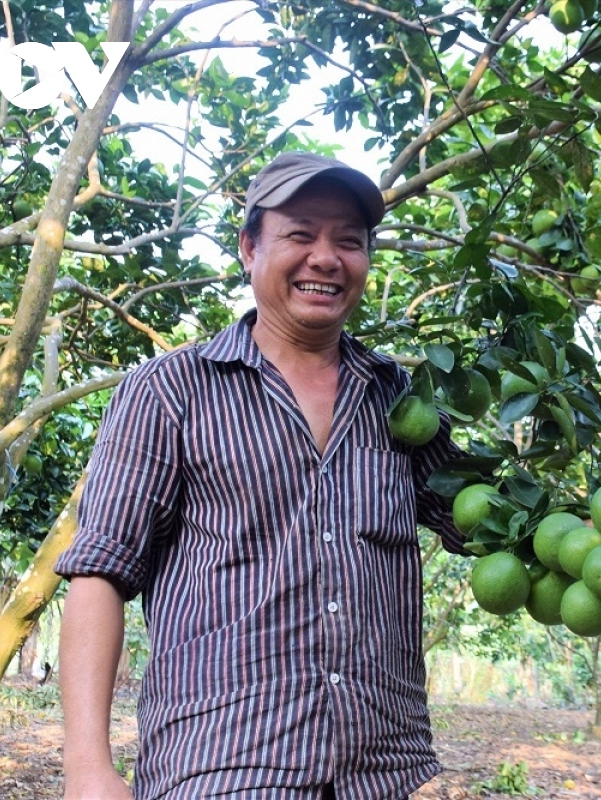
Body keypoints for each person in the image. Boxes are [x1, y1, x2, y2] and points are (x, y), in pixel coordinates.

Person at [56, 152, 469, 800]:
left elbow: (492, 524)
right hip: (225, 768)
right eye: (301, 235)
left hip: (385, 776)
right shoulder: (171, 391)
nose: (326, 258)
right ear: (250, 247)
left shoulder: (399, 402)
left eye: (349, 241)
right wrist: (87, 768)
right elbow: (100, 571)